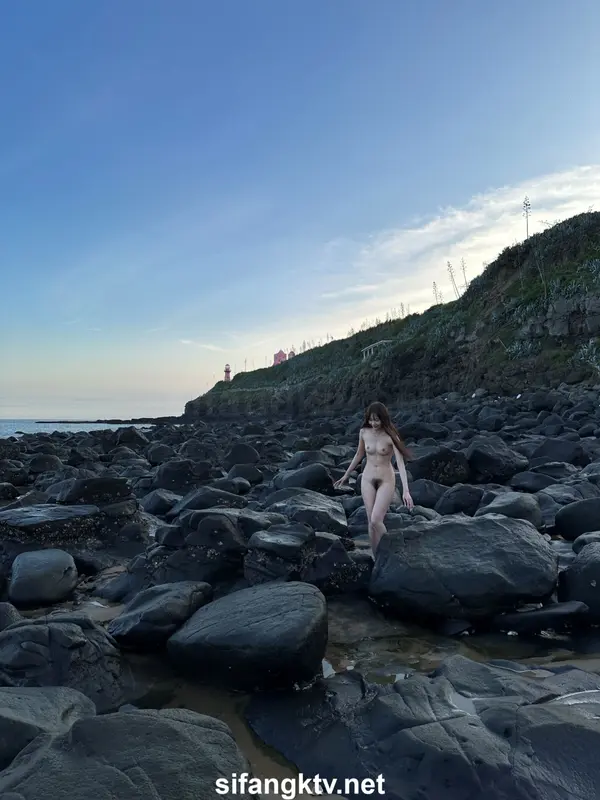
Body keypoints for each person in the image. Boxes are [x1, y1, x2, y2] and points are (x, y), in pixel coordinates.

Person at [334, 401, 413, 551]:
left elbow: (400, 464)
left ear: (383, 418)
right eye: (370, 420)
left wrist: (406, 491)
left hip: (386, 480)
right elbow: (359, 454)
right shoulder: (364, 432)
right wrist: (346, 475)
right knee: (371, 523)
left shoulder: (391, 436)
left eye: (376, 420)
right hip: (367, 479)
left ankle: (391, 551)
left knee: (377, 520)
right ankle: (376, 557)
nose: (373, 423)